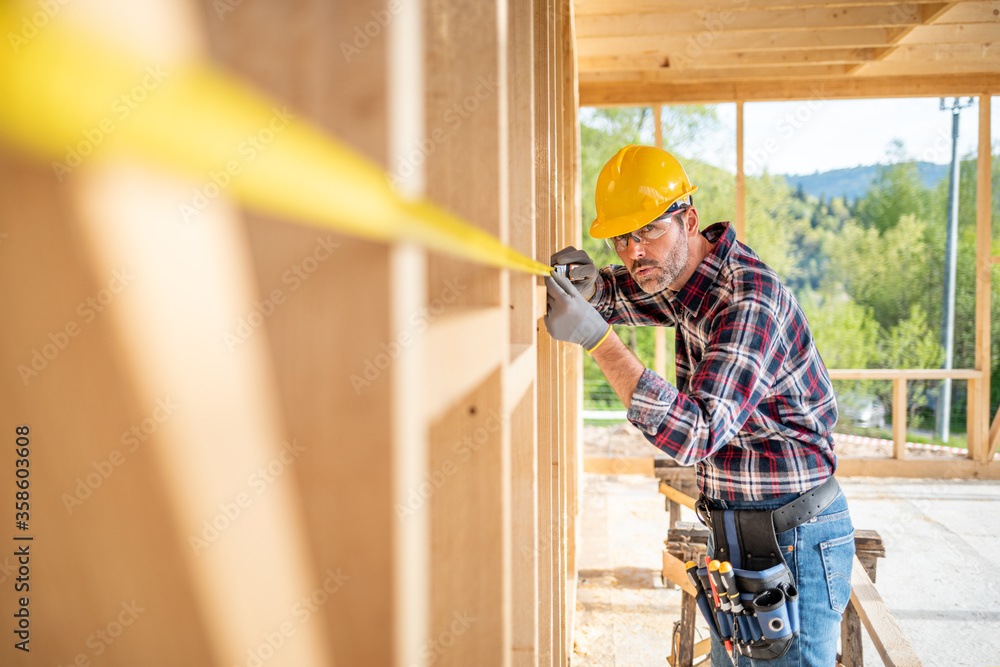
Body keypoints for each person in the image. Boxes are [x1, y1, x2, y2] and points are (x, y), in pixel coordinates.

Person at [543, 144, 855, 666]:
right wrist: (590, 288)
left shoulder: (748, 299)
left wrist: (601, 341)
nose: (633, 252)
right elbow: (626, 293)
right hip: (741, 534)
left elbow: (695, 434)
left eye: (647, 231)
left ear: (687, 219)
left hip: (794, 542)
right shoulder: (681, 277)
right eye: (621, 238)